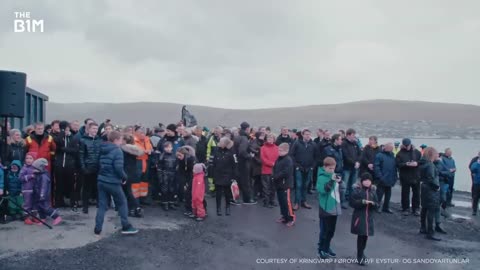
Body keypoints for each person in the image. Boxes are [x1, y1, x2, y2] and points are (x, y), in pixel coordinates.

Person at [94, 131, 138, 235]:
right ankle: (126, 226)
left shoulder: (102, 148)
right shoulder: (117, 151)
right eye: (121, 140)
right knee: (122, 202)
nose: (121, 142)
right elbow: (118, 168)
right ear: (116, 140)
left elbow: (98, 164)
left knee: (102, 205)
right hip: (113, 181)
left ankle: (97, 228)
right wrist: (124, 177)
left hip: (101, 180)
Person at [350, 173, 379, 266]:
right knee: (361, 237)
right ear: (362, 181)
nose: (367, 182)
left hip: (369, 219)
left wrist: (374, 205)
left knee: (365, 237)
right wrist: (362, 202)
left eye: (369, 180)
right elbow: (352, 203)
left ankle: (362, 252)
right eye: (365, 180)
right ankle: (359, 255)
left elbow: (377, 204)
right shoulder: (357, 191)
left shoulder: (373, 192)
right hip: (360, 218)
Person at [317, 157, 342, 259]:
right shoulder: (321, 177)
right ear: (325, 167)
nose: (332, 170)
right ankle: (321, 249)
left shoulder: (334, 175)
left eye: (333, 168)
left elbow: (341, 190)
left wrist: (340, 182)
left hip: (335, 207)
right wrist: (331, 181)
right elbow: (324, 190)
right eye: (330, 168)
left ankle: (327, 247)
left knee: (331, 231)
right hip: (325, 208)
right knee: (324, 230)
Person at [419, 147, 442, 241]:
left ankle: (423, 228)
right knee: (431, 210)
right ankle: (430, 232)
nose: (437, 155)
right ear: (432, 154)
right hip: (430, 190)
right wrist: (437, 187)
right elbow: (431, 178)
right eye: (436, 153)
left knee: (424, 208)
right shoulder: (430, 165)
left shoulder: (423, 163)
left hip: (424, 188)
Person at [78, 122, 101, 214]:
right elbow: (81, 155)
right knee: (86, 187)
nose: (95, 130)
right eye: (93, 128)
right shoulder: (83, 140)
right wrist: (83, 167)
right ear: (89, 129)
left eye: (96, 129)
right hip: (88, 167)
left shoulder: (100, 140)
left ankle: (100, 204)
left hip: (98, 167)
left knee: (98, 187)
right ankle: (85, 206)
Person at [53, 123, 78, 208]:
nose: (66, 132)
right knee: (59, 184)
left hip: (69, 164)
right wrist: (62, 134)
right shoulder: (58, 137)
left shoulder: (73, 138)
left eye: (67, 130)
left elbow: (75, 150)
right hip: (60, 165)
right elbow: (57, 145)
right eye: (64, 130)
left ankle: (72, 202)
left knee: (71, 184)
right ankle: (59, 202)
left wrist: (64, 149)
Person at [290, 129, 316, 210]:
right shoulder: (297, 143)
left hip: (309, 168)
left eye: (309, 134)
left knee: (305, 185)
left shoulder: (313, 144)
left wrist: (312, 166)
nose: (308, 136)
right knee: (298, 185)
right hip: (299, 168)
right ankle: (297, 203)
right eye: (306, 134)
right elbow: (291, 155)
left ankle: (304, 201)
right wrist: (296, 166)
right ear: (302, 135)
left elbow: (316, 157)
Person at [32, 158, 63, 225]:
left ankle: (57, 217)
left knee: (46, 208)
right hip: (38, 195)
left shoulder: (43, 177)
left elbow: (44, 187)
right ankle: (42, 219)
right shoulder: (37, 175)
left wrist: (42, 195)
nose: (33, 170)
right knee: (39, 208)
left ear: (40, 168)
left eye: (35, 168)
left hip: (43, 196)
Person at [396, 138, 422, 216]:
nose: (407, 146)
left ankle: (416, 208)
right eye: (405, 145)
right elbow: (398, 164)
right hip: (405, 176)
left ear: (411, 144)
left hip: (416, 176)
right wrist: (406, 164)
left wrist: (417, 163)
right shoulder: (400, 153)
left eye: (408, 145)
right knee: (405, 193)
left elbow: (422, 161)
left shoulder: (417, 152)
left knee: (417, 193)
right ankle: (405, 208)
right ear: (403, 145)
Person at [212, 137, 237, 216]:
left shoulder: (231, 153)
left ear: (225, 144)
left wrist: (234, 177)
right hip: (218, 175)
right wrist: (212, 175)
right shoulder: (216, 150)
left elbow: (234, 166)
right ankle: (218, 208)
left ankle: (227, 207)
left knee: (227, 193)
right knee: (218, 193)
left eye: (221, 142)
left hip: (227, 175)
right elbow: (213, 163)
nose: (219, 143)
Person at [121, 134, 144, 218]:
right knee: (130, 191)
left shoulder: (123, 149)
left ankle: (134, 209)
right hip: (133, 172)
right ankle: (134, 208)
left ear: (124, 141)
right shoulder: (134, 149)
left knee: (127, 192)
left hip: (125, 172)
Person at [233, 122, 256, 205]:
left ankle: (235, 199)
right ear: (247, 129)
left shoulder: (237, 137)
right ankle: (247, 199)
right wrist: (250, 156)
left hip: (237, 163)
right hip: (243, 163)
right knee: (245, 181)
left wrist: (254, 150)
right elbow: (242, 151)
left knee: (237, 181)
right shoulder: (244, 138)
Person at [273, 143, 294, 226]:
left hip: (286, 184)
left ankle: (291, 218)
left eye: (281, 150)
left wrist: (276, 176)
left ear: (286, 151)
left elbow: (286, 172)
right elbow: (275, 168)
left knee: (287, 202)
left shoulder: (288, 160)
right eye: (279, 150)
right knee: (281, 201)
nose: (279, 152)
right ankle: (284, 216)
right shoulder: (279, 158)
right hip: (279, 184)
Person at [374, 143, 397, 214]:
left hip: (390, 178)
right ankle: (376, 207)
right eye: (390, 147)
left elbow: (394, 168)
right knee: (379, 194)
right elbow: (376, 167)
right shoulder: (379, 155)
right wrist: (380, 176)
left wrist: (395, 177)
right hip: (382, 179)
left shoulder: (392, 156)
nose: (392, 149)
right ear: (386, 148)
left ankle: (386, 207)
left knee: (388, 194)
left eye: (392, 148)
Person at [341, 128, 361, 208]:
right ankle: (342, 201)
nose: (354, 137)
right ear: (348, 135)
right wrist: (354, 163)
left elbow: (360, 154)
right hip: (347, 167)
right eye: (353, 135)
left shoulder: (355, 143)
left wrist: (358, 162)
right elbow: (345, 156)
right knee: (344, 185)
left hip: (355, 167)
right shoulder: (344, 143)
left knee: (353, 185)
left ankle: (351, 199)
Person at [133, 127, 153, 205]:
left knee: (144, 181)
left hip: (146, 161)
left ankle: (143, 198)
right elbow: (134, 151)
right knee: (136, 182)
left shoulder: (147, 140)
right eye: (141, 133)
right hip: (137, 162)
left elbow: (150, 149)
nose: (142, 134)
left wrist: (150, 151)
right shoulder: (133, 141)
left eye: (144, 133)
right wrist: (144, 151)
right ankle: (135, 199)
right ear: (136, 133)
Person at [157, 141, 178, 211]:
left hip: (173, 174)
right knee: (165, 189)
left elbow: (176, 165)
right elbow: (159, 168)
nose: (168, 149)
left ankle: (171, 203)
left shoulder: (174, 155)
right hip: (165, 174)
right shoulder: (162, 156)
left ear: (172, 147)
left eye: (170, 147)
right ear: (164, 148)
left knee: (172, 189)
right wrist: (160, 177)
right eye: (167, 147)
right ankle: (165, 203)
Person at [177, 146, 196, 217]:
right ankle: (188, 209)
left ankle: (195, 209)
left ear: (184, 154)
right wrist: (183, 182)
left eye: (180, 155)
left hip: (192, 177)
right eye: (178, 155)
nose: (179, 157)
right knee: (187, 194)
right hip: (186, 177)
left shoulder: (191, 160)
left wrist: (188, 182)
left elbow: (192, 172)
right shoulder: (181, 160)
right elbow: (181, 171)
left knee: (192, 194)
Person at [260, 133, 279, 208]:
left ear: (274, 139)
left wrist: (276, 164)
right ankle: (266, 202)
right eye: (268, 138)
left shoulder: (277, 148)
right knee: (266, 187)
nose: (270, 139)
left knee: (273, 187)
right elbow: (263, 159)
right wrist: (272, 164)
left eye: (271, 138)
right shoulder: (263, 148)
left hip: (275, 170)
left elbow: (279, 158)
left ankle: (272, 200)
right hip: (266, 170)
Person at [19, 152, 37, 224]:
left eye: (30, 158)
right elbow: (20, 178)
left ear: (34, 160)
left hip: (35, 189)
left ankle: (34, 217)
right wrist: (30, 176)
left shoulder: (36, 168)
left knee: (35, 203)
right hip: (27, 190)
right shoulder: (24, 168)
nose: (28, 160)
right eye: (27, 158)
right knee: (27, 204)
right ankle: (26, 218)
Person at [206, 126, 223, 196]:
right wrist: (208, 157)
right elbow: (208, 148)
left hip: (221, 160)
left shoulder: (223, 139)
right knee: (211, 174)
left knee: (220, 174)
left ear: (221, 132)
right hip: (212, 159)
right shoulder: (212, 138)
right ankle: (212, 189)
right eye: (215, 131)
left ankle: (220, 189)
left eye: (217, 131)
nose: (216, 132)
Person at [249, 132, 265, 201]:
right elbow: (253, 154)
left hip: (262, 163)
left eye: (263, 135)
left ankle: (261, 193)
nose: (262, 137)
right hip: (256, 165)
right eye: (261, 135)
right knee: (257, 180)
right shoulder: (254, 143)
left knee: (262, 180)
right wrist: (258, 160)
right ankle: (255, 194)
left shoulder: (263, 142)